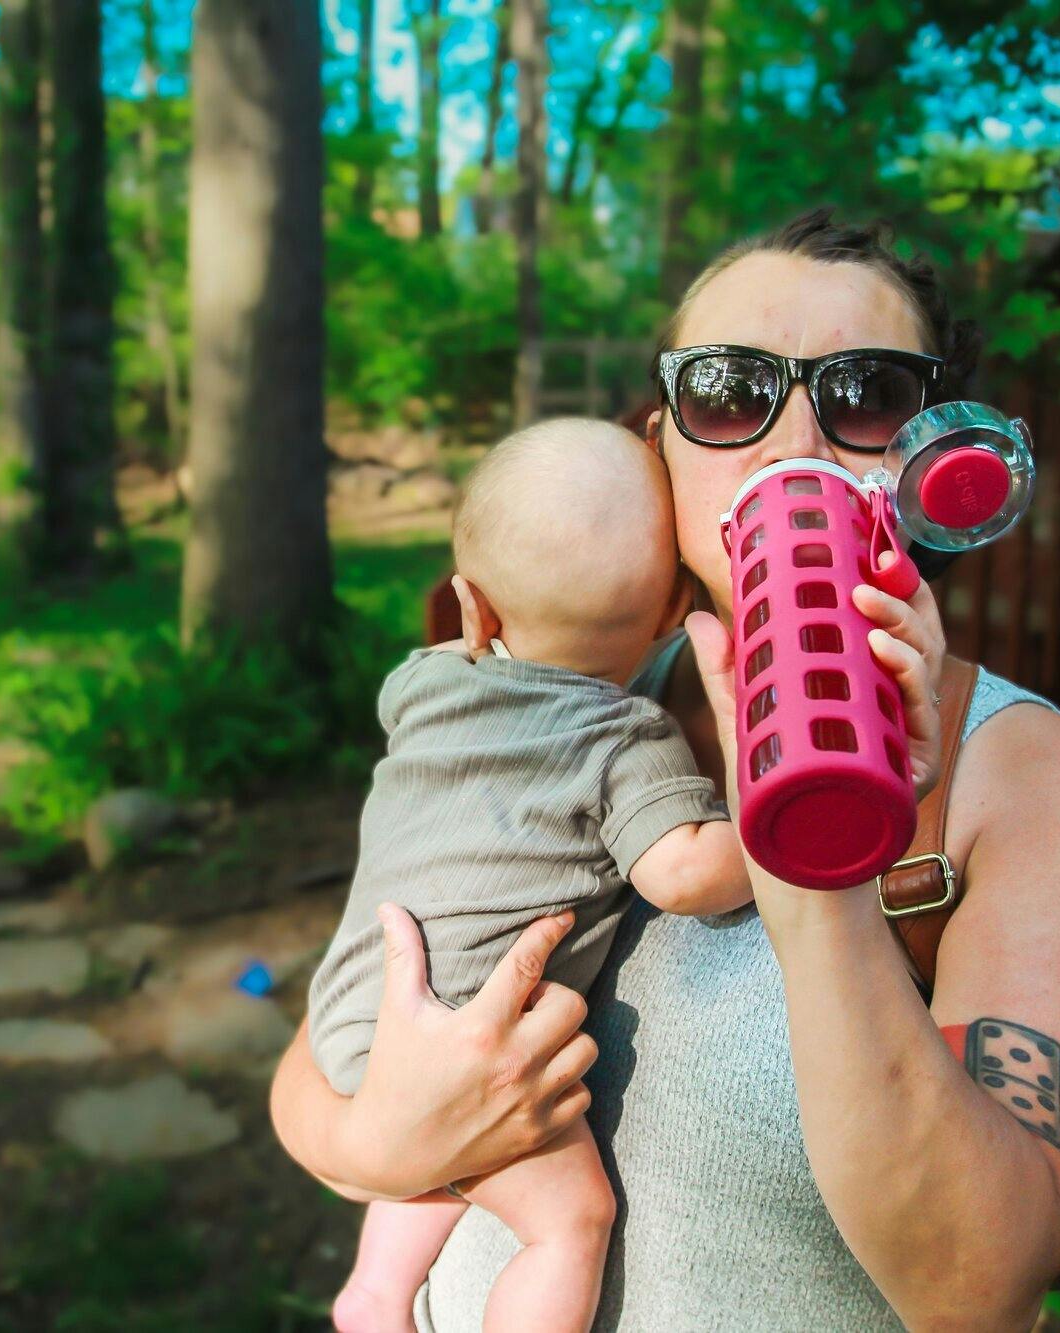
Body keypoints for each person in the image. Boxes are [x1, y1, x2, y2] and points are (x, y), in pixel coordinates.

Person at [270, 209, 1060, 1332]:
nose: (792, 448)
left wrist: (819, 849)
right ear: (661, 443)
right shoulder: (564, 691)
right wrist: (378, 1143)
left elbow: (977, 1284)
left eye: (864, 394)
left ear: (925, 457)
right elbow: (320, 1053)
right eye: (731, 393)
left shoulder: (1033, 781)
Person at [311, 418, 779, 1332]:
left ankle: (374, 1292)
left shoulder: (422, 684)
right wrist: (765, 820)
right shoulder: (623, 739)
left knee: (456, 1158)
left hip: (356, 1011)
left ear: (471, 609)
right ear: (662, 622)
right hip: (464, 1030)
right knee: (571, 1220)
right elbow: (683, 872)